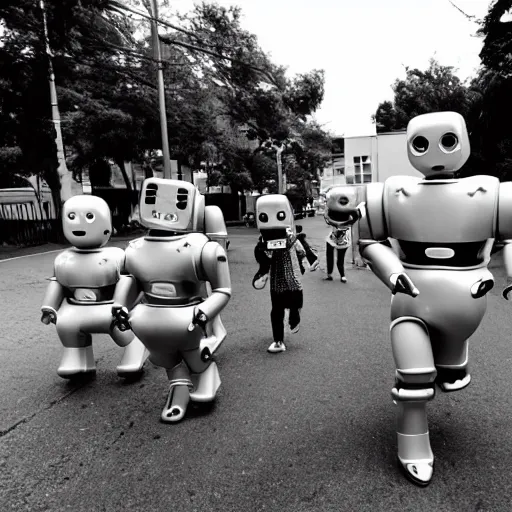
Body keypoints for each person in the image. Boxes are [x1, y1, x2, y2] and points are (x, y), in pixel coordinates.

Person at [357, 111, 512, 486]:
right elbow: (368, 242)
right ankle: (412, 443)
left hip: (466, 304)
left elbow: (510, 240)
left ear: (463, 141)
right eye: (422, 143)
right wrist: (393, 273)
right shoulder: (390, 194)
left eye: (447, 141)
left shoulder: (494, 193)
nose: (435, 152)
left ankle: (452, 355)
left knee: (447, 369)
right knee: (415, 379)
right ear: (411, 146)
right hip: (411, 299)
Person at [252, 194, 307, 354]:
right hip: (276, 282)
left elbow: (302, 251)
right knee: (277, 309)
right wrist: (263, 259)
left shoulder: (292, 239)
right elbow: (262, 258)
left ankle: (294, 314)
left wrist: (304, 262)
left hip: (292, 278)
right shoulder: (264, 242)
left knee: (294, 303)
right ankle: (278, 340)